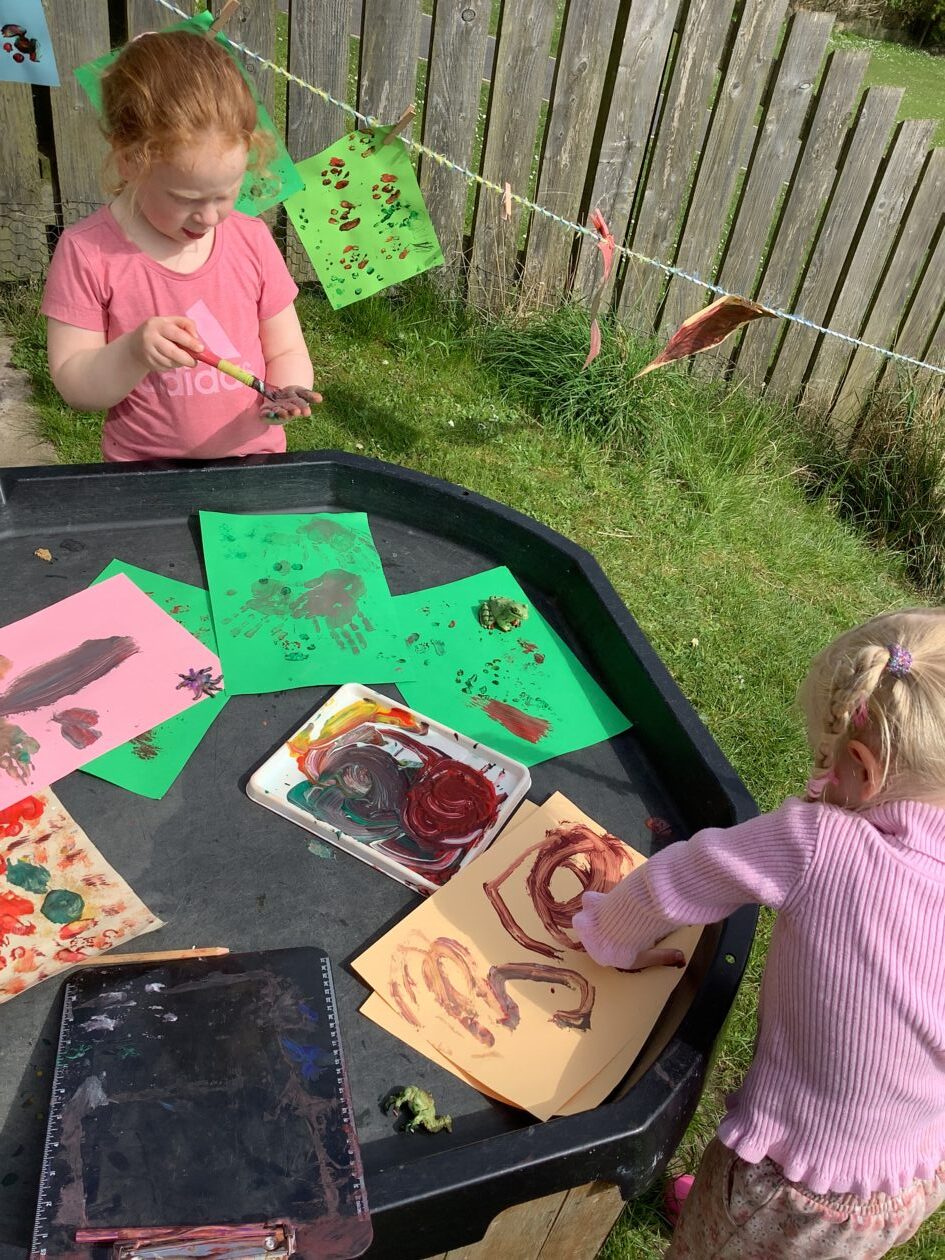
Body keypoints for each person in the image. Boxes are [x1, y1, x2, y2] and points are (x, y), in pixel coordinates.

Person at [573, 608, 945, 1258]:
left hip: (793, 1185)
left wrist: (608, 932)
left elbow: (682, 877)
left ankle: (728, 1230)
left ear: (863, 768)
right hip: (907, 1165)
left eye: (825, 761)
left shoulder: (819, 841)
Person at [41, 28, 319, 462]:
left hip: (255, 465)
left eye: (226, 194)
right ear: (130, 160)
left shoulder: (251, 239)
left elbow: (285, 348)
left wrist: (284, 392)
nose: (209, 217)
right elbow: (76, 386)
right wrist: (133, 352)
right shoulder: (89, 253)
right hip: (145, 476)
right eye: (187, 199)